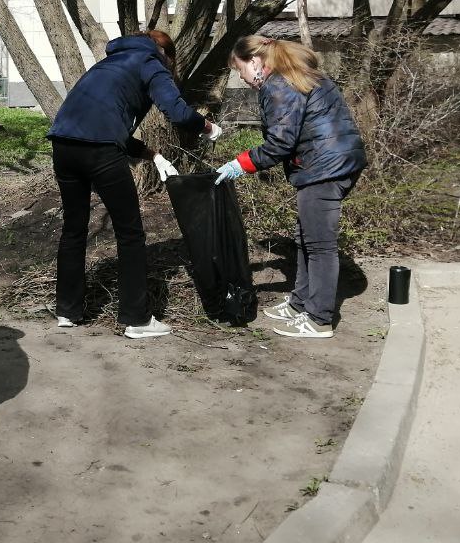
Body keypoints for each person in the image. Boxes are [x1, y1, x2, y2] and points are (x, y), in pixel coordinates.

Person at [48, 28, 222, 339]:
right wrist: (207, 127)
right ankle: (137, 319)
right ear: (167, 55)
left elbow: (102, 123)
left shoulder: (111, 63)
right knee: (129, 233)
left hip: (63, 145)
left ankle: (67, 310)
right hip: (100, 151)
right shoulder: (150, 61)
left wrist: (153, 155)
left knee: (74, 229)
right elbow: (177, 112)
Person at [215, 37, 367, 339]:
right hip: (333, 161)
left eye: (240, 70)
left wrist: (239, 164)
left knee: (319, 244)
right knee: (306, 237)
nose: (242, 78)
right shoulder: (297, 75)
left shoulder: (279, 84)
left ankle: (319, 318)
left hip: (324, 167)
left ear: (255, 61)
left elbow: (280, 143)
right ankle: (300, 303)